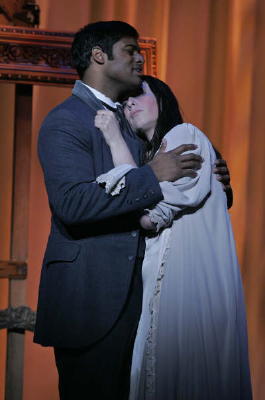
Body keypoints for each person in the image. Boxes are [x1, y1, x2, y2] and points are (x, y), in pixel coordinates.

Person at [33, 21, 209, 400]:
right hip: (92, 298)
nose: (140, 57)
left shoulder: (132, 119)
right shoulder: (66, 121)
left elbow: (175, 182)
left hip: (146, 298)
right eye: (130, 49)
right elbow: (73, 205)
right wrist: (151, 175)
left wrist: (215, 175)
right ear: (99, 56)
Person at [95, 75, 252, 399]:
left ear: (162, 99)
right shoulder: (150, 158)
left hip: (188, 282)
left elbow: (146, 212)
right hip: (165, 282)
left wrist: (113, 139)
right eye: (125, 102)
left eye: (138, 95)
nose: (129, 104)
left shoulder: (184, 133)